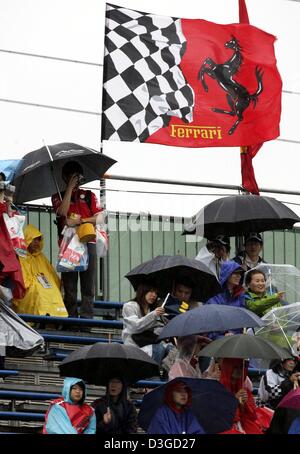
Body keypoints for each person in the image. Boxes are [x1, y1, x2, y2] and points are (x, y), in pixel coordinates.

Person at [51, 161, 102, 320]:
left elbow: (100, 217)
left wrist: (81, 221)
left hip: (88, 241)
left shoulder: (89, 196)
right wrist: (69, 190)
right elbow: (62, 213)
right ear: (65, 177)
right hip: (68, 245)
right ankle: (71, 320)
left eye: (78, 177)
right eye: (72, 176)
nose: (76, 179)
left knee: (88, 286)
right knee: (70, 287)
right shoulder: (57, 196)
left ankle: (87, 320)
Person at [12, 224, 68, 317]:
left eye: (38, 239)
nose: (37, 242)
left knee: (53, 290)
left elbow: (51, 274)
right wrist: (34, 283)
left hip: (43, 284)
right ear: (27, 239)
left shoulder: (41, 257)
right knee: (39, 292)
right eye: (34, 239)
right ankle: (42, 316)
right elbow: (23, 278)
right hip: (30, 287)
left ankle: (57, 317)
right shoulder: (22, 256)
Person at [122, 281, 171, 365]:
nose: (154, 295)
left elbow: (158, 330)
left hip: (149, 344)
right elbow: (135, 326)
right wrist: (154, 315)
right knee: (159, 349)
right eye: (151, 291)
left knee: (171, 349)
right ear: (142, 291)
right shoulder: (129, 306)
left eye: (156, 293)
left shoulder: (153, 309)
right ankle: (153, 373)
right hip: (133, 347)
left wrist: (164, 320)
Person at [219, 358, 272, 434]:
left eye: (241, 367)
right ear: (228, 367)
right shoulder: (219, 389)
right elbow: (218, 416)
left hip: (243, 425)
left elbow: (251, 417)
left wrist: (244, 404)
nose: (239, 370)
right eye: (236, 367)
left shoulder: (244, 390)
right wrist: (234, 400)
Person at [205, 261, 245, 339]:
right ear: (227, 274)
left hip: (236, 336)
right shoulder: (214, 294)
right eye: (235, 273)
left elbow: (241, 316)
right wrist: (225, 332)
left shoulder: (240, 294)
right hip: (217, 337)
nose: (238, 276)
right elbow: (211, 318)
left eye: (240, 274)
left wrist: (233, 332)